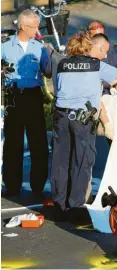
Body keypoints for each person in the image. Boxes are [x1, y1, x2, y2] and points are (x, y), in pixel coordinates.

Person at [51, 32, 117, 213]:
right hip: (82, 118)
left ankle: (59, 204)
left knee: (61, 161)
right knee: (81, 161)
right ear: (88, 47)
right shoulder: (96, 65)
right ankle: (75, 205)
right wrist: (114, 84)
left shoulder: (62, 64)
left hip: (61, 117)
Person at [1, 10, 51, 197]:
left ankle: (38, 185)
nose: (37, 30)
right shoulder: (4, 45)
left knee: (38, 141)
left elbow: (47, 72)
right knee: (13, 142)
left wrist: (52, 56)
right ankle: (12, 186)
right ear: (23, 26)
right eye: (34, 26)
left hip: (33, 95)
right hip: (13, 95)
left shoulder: (39, 46)